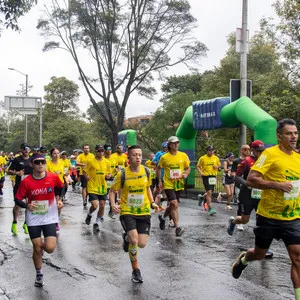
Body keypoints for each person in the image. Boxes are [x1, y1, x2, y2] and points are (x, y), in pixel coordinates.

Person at [231, 119, 300, 300]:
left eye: (295, 133)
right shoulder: (269, 154)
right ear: (279, 136)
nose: (293, 137)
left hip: (292, 217)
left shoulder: (298, 158)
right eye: (289, 133)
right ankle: (244, 259)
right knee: (259, 254)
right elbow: (252, 180)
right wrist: (277, 185)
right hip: (268, 216)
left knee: (297, 258)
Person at [109, 145, 159, 283]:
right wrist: (113, 204)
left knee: (142, 244)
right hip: (127, 211)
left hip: (143, 211)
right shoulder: (122, 174)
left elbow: (148, 188)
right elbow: (112, 191)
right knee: (135, 241)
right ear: (129, 157)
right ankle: (136, 271)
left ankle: (126, 239)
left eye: (139, 155)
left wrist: (153, 202)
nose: (138, 157)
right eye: (134, 155)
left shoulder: (147, 171)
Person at [14, 154, 64, 287]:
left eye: (43, 162)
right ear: (31, 164)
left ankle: (41, 249)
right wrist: (27, 205)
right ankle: (39, 273)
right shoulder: (26, 181)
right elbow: (18, 198)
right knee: (37, 248)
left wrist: (60, 199)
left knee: (50, 248)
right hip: (34, 218)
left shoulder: (52, 177)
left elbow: (61, 186)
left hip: (49, 217)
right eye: (37, 162)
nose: (40, 164)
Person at [227, 140, 265, 235]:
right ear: (253, 150)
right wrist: (247, 184)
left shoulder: (265, 161)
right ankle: (233, 222)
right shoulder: (247, 161)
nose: (260, 153)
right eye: (258, 151)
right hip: (247, 195)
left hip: (260, 194)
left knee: (262, 219)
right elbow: (237, 176)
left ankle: (261, 246)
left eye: (262, 151)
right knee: (245, 220)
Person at [157, 136, 190, 236]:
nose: (176, 145)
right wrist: (159, 181)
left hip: (178, 183)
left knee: (172, 205)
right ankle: (177, 227)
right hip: (168, 184)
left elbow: (188, 168)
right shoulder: (164, 157)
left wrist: (186, 174)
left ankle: (162, 218)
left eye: (177, 143)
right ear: (169, 145)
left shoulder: (183, 155)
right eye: (174, 143)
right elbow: (158, 168)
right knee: (174, 204)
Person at [7, 143, 33, 235]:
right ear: (21, 150)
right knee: (17, 205)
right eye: (24, 148)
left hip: (30, 186)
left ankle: (26, 224)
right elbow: (8, 171)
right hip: (19, 185)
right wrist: (17, 173)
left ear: (30, 150)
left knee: (29, 204)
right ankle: (14, 222)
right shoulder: (17, 160)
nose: (26, 150)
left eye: (28, 148)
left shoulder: (32, 160)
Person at [84, 144, 111, 231]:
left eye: (102, 151)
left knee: (102, 205)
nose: (101, 152)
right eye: (99, 151)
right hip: (92, 186)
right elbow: (84, 171)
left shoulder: (106, 162)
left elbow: (109, 173)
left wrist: (108, 176)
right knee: (95, 205)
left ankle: (97, 222)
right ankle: (89, 214)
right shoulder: (90, 161)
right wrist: (86, 177)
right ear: (95, 151)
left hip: (102, 187)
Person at [230, 144, 251, 231]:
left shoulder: (251, 160)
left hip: (250, 187)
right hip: (240, 185)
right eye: (245, 149)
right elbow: (233, 173)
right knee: (240, 203)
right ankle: (240, 222)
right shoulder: (236, 161)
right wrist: (239, 177)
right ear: (241, 150)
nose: (247, 151)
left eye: (249, 149)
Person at [197, 146, 221, 215]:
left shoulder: (216, 158)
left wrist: (217, 167)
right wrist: (201, 172)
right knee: (209, 192)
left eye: (212, 151)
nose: (211, 152)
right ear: (207, 151)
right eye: (210, 150)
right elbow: (198, 166)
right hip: (206, 176)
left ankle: (202, 197)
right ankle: (210, 208)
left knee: (210, 192)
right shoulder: (202, 158)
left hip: (213, 176)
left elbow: (219, 167)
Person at [46, 148, 65, 231]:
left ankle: (56, 221)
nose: (57, 155)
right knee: (51, 204)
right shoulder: (48, 164)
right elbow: (46, 175)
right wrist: (54, 174)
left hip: (60, 185)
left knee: (59, 205)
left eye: (58, 153)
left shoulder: (62, 162)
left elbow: (64, 173)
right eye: (54, 153)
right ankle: (49, 220)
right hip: (51, 186)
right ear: (51, 155)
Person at [103, 144, 118, 219]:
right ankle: (101, 212)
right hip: (104, 179)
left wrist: (116, 170)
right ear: (105, 150)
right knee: (104, 196)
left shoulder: (114, 159)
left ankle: (111, 211)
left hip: (112, 179)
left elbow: (116, 167)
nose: (109, 151)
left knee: (113, 194)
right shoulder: (102, 159)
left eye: (110, 149)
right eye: (107, 149)